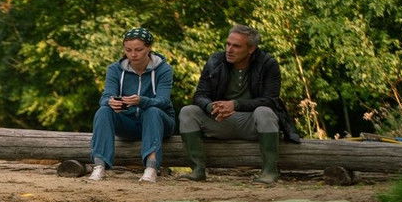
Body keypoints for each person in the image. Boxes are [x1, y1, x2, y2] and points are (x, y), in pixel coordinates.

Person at [178, 24, 300, 184]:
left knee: (265, 111)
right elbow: (200, 95)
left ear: (251, 49)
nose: (229, 49)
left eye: (236, 46)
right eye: (228, 44)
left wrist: (235, 104)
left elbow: (271, 100)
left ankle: (270, 171)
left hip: (253, 123)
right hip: (221, 120)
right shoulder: (215, 61)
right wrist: (211, 107)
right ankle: (197, 170)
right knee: (188, 111)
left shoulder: (268, 64)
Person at [89, 27, 177, 182]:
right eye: (128, 50)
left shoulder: (164, 69)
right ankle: (99, 166)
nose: (133, 54)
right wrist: (111, 102)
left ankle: (151, 168)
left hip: (160, 123)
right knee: (103, 111)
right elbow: (105, 97)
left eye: (139, 50)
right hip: (128, 123)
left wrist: (142, 101)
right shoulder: (114, 69)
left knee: (153, 111)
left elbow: (164, 101)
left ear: (149, 48)